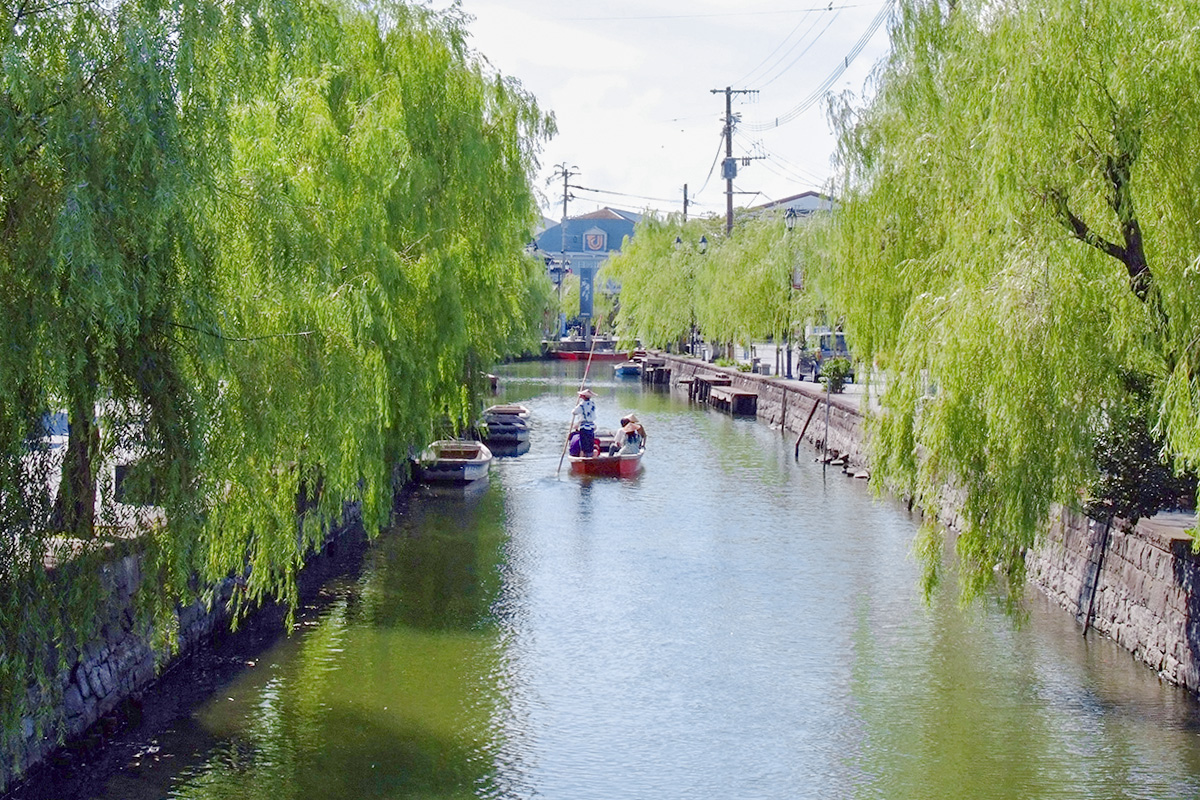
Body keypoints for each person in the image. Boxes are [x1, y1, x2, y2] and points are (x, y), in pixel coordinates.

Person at [572, 387, 597, 457]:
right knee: (590, 444)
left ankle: (584, 458)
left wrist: (577, 405)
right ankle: (590, 456)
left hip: (584, 427)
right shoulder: (592, 404)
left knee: (584, 445)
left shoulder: (582, 405)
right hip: (591, 427)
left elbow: (574, 412)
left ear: (583, 396)